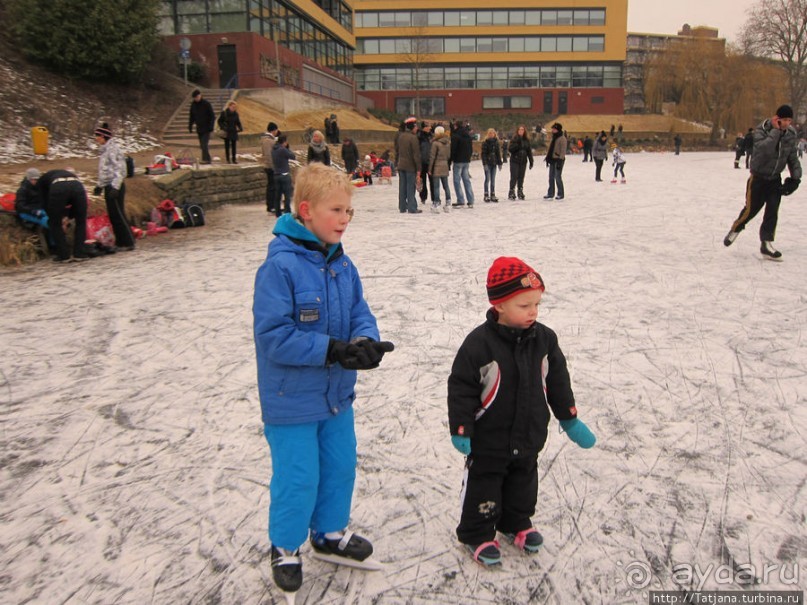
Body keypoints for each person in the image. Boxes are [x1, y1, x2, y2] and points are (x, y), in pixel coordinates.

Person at [253, 162, 394, 594]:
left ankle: (329, 532)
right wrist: (332, 350)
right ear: (307, 210)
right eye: (337, 210)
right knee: (299, 476)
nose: (345, 219)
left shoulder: (343, 265)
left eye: (349, 212)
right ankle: (286, 546)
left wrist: (365, 341)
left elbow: (357, 312)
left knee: (339, 466)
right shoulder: (280, 269)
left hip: (336, 396)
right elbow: (274, 336)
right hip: (291, 401)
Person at [447, 256, 596, 566]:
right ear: (499, 305)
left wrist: (568, 418)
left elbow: (557, 380)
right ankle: (477, 533)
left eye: (536, 305)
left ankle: (516, 522)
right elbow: (461, 387)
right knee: (484, 486)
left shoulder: (544, 339)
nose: (533, 312)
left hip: (529, 433)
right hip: (490, 439)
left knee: (524, 483)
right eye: (524, 305)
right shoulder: (479, 344)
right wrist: (461, 428)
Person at [723, 104, 802, 261]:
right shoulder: (762, 130)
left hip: (774, 179)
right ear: (776, 119)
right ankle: (736, 228)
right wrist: (776, 131)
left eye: (789, 120)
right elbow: (764, 150)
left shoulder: (791, 134)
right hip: (758, 178)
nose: (787, 124)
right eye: (784, 120)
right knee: (751, 209)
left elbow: (792, 156)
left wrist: (795, 178)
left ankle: (766, 243)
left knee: (772, 211)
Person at [93, 124, 135, 250]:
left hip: (115, 186)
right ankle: (120, 242)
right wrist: (99, 186)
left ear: (103, 136)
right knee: (113, 215)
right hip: (108, 185)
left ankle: (128, 242)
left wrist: (116, 187)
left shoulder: (113, 149)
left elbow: (120, 169)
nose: (96, 139)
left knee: (118, 214)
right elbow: (105, 171)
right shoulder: (105, 150)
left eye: (97, 136)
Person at [38, 168, 89, 262]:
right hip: (77, 186)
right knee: (81, 221)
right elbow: (70, 202)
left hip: (59, 188)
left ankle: (64, 255)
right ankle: (79, 253)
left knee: (55, 224)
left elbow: (45, 202)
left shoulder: (41, 182)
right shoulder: (68, 175)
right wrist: (67, 216)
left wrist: (57, 218)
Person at [396, 117, 421, 214]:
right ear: (412, 128)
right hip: (410, 167)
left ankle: (402, 207)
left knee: (402, 187)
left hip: (401, 165)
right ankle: (412, 207)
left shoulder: (401, 136)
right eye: (415, 127)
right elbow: (416, 155)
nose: (417, 129)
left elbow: (398, 150)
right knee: (411, 187)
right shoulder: (413, 138)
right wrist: (419, 168)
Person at [450, 121, 475, 207]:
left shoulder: (455, 136)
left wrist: (451, 159)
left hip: (458, 161)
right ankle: (471, 200)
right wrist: (468, 157)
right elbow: (471, 149)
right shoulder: (468, 135)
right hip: (466, 160)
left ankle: (460, 200)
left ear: (456, 126)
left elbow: (453, 149)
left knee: (457, 181)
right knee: (466, 180)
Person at [428, 125, 452, 213]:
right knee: (446, 186)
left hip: (437, 166)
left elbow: (432, 157)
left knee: (436, 186)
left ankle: (436, 203)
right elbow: (449, 155)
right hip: (445, 165)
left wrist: (430, 169)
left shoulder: (435, 143)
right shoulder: (448, 143)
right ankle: (448, 202)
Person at [188, 89, 215, 164]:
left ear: (200, 95)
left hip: (207, 127)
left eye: (197, 97)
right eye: (194, 98)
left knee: (204, 144)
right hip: (199, 127)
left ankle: (206, 160)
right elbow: (192, 116)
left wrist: (211, 127)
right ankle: (206, 159)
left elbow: (212, 116)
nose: (196, 99)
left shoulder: (206, 104)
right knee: (202, 145)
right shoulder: (193, 105)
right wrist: (190, 126)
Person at [272, 134, 296, 217]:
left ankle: (277, 212)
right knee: (287, 195)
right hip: (284, 174)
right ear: (284, 142)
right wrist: (287, 148)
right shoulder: (283, 150)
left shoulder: (273, 149)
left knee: (277, 195)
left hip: (276, 174)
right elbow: (293, 156)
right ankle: (287, 211)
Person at [507, 125, 533, 200]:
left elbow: (529, 151)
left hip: (523, 161)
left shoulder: (526, 140)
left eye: (522, 130)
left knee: (521, 177)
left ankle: (520, 190)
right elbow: (510, 149)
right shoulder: (514, 139)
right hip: (515, 160)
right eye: (520, 130)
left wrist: (531, 161)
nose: (521, 131)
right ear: (517, 131)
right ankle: (511, 191)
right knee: (514, 176)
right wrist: (517, 145)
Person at [543, 123, 567, 201]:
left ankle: (560, 194)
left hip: (558, 160)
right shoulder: (554, 138)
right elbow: (551, 149)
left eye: (554, 129)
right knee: (551, 177)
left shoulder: (562, 138)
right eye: (552, 129)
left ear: (558, 129)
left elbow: (563, 151)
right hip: (552, 160)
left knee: (557, 177)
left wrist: (560, 161)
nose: (552, 130)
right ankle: (550, 193)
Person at [261, 122, 280, 214]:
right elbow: (268, 155)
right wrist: (273, 167)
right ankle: (271, 206)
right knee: (271, 187)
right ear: (273, 130)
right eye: (276, 130)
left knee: (272, 186)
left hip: (270, 166)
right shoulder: (268, 141)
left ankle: (272, 205)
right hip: (270, 167)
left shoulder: (268, 139)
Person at [481, 128, 503, 203]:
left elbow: (498, 153)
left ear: (494, 134)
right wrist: (484, 164)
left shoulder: (496, 142)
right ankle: (486, 194)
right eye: (490, 133)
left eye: (492, 133)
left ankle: (492, 194)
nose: (491, 135)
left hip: (494, 163)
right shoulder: (485, 143)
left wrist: (500, 163)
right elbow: (483, 154)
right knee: (487, 179)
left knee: (493, 180)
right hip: (488, 163)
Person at [418, 122, 433, 204]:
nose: (430, 128)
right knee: (422, 181)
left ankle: (434, 197)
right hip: (422, 162)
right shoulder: (419, 137)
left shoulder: (431, 136)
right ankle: (423, 197)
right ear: (424, 127)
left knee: (432, 181)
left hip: (430, 162)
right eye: (428, 126)